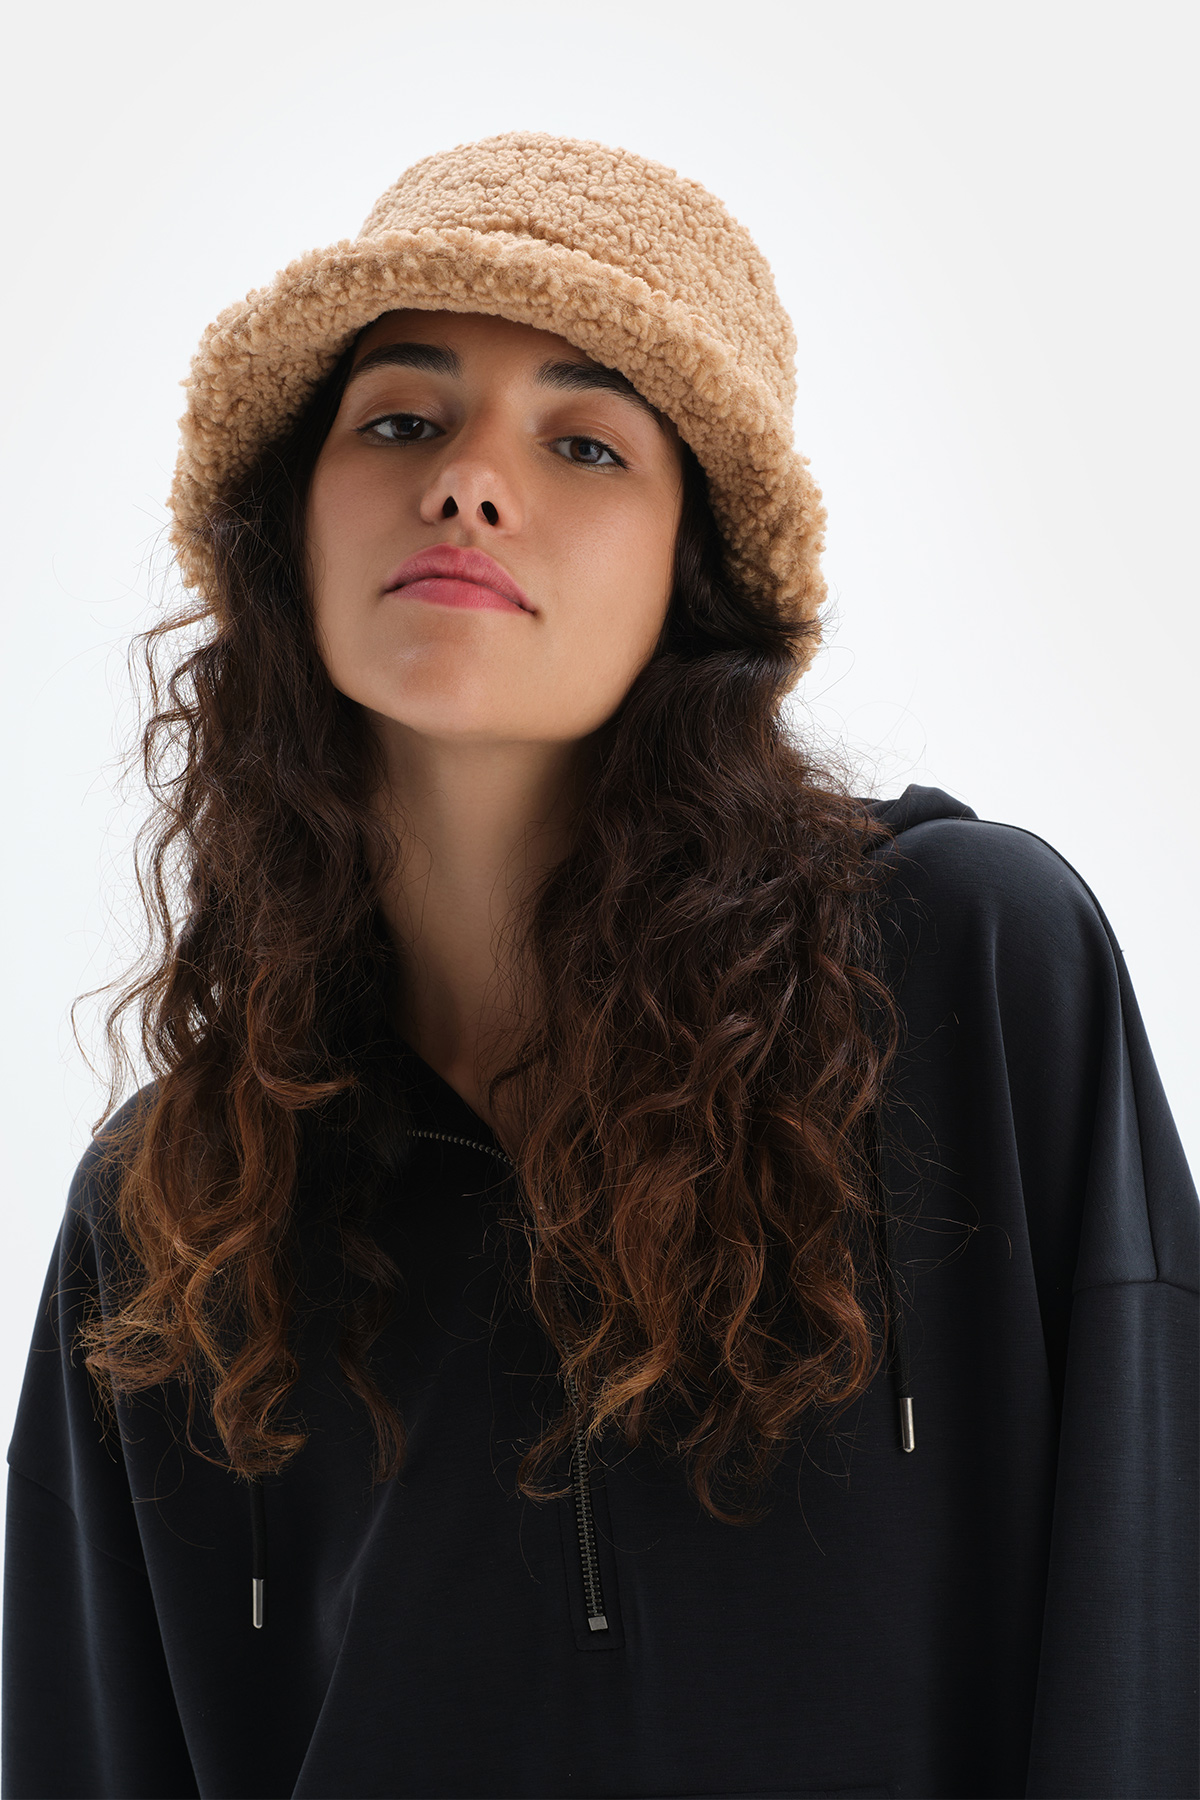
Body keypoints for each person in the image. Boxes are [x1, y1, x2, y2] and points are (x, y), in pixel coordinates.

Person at [2, 132, 1196, 1800]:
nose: (470, 485)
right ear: (292, 525)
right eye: (400, 420)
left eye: (584, 443)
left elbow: (1150, 1621)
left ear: (695, 571)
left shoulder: (965, 970)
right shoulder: (170, 1216)